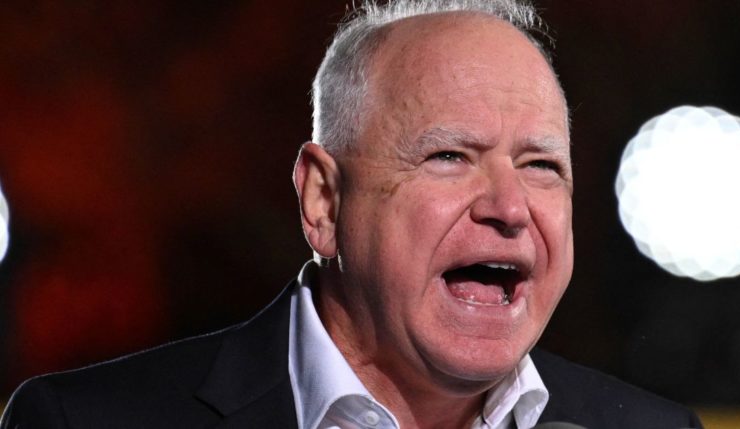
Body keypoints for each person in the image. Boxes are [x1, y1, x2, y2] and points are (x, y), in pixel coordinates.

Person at [1, 1, 703, 428]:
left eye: (541, 165)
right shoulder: (88, 423)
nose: (509, 207)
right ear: (323, 202)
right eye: (450, 156)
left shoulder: (651, 427)